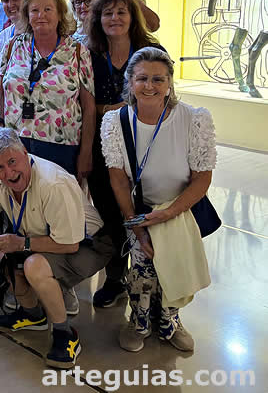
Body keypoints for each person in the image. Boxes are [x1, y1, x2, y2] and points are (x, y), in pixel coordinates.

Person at [0, 128, 113, 369]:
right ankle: (33, 315)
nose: (9, 173)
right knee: (2, 255)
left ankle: (65, 335)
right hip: (47, 239)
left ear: (25, 153)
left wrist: (22, 244)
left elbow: (70, 243)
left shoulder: (52, 183)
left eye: (12, 162)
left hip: (89, 243)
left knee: (32, 265)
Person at [102, 48, 214, 353]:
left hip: (179, 209)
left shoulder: (193, 119)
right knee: (142, 268)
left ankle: (169, 319)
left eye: (157, 79)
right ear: (130, 82)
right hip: (140, 211)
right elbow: (118, 178)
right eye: (142, 79)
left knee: (174, 266)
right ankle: (138, 320)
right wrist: (135, 224)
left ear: (169, 83)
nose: (149, 86)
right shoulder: (116, 122)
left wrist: (171, 213)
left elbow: (202, 177)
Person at [85, 0, 162, 309]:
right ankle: (116, 278)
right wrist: (116, 108)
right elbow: (84, 105)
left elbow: (159, 94)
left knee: (147, 214)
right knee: (112, 216)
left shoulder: (151, 52)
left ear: (132, 16)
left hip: (146, 145)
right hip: (103, 148)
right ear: (98, 20)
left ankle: (155, 286)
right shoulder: (88, 54)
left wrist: (108, 107)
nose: (114, 18)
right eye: (107, 13)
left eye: (121, 12)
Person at [0, 0, 95, 178]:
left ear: (59, 14)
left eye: (48, 9)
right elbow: (0, 91)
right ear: (27, 15)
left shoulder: (77, 51)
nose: (41, 15)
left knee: (58, 205)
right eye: (35, 10)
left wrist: (86, 152)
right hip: (15, 143)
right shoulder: (12, 47)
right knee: (18, 204)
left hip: (61, 147)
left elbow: (89, 107)